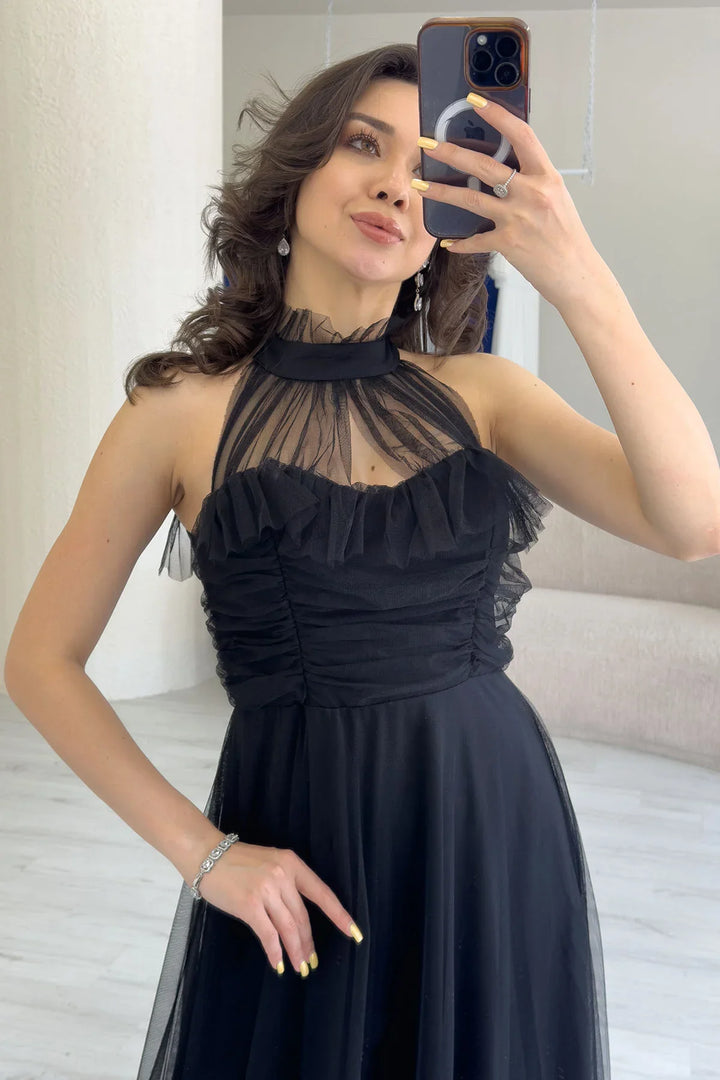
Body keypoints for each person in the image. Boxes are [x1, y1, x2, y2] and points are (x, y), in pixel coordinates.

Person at [11, 38, 719, 1079]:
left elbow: (695, 522)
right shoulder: (176, 414)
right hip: (298, 847)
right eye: (362, 144)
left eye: (427, 168)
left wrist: (578, 276)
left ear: (448, 227)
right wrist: (205, 857)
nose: (394, 182)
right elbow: (40, 660)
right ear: (295, 174)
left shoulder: (485, 398)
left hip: (488, 826)